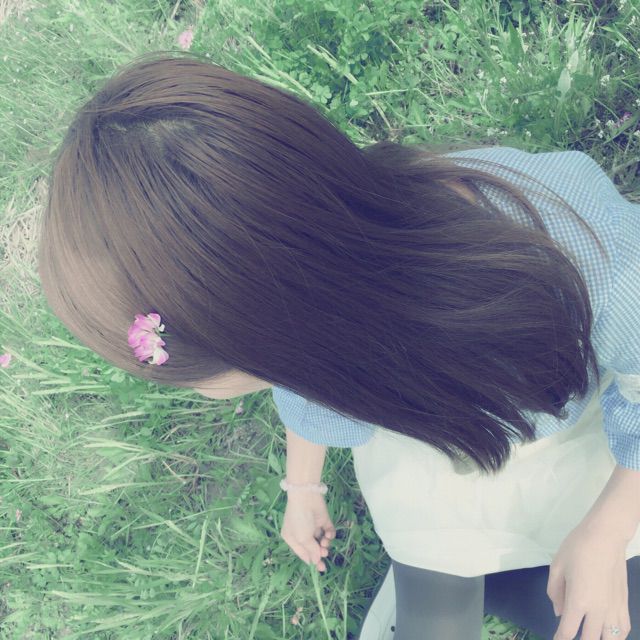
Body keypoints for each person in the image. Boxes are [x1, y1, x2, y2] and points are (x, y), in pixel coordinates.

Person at [37, 49, 640, 639]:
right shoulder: (318, 296)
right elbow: (311, 382)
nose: (186, 387)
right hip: (432, 471)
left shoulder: (584, 257)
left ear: (264, 336)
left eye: (182, 377)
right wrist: (303, 486)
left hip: (582, 457)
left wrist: (607, 532)